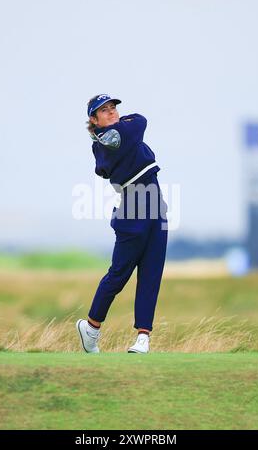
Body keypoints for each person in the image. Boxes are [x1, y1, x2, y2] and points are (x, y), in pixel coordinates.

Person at [76, 94, 168, 353]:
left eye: (113, 108)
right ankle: (91, 328)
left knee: (151, 274)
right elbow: (140, 121)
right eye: (104, 111)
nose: (112, 112)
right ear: (93, 120)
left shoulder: (115, 134)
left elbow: (136, 123)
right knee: (119, 274)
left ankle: (143, 336)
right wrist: (118, 128)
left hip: (156, 206)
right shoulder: (110, 140)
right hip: (133, 207)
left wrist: (115, 127)